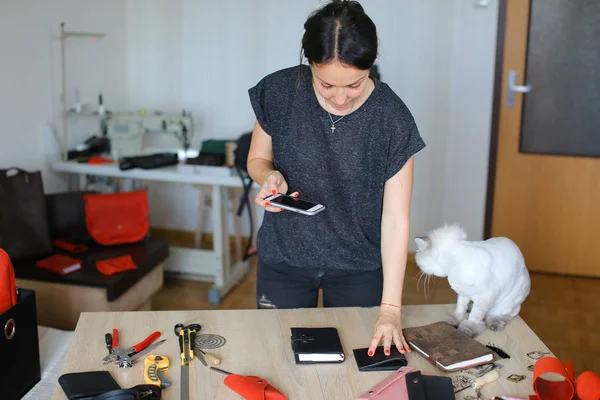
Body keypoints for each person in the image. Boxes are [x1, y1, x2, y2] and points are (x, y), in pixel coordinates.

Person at [246, 0, 425, 357]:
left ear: (370, 66)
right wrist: (269, 176)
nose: (341, 98)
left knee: (362, 365)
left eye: (355, 84)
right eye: (326, 84)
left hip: (359, 266)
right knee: (280, 357)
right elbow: (257, 159)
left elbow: (395, 220)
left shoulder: (392, 119)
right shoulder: (279, 92)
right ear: (308, 62)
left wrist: (390, 309)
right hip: (284, 259)